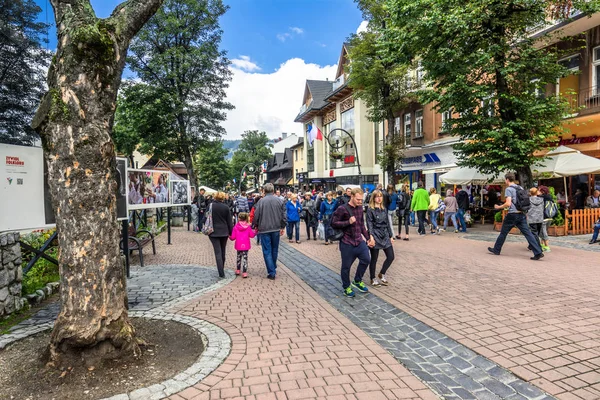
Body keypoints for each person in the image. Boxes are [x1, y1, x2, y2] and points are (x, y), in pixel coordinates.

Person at [488, 173, 544, 260]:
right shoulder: (520, 187)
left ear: (507, 179)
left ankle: (496, 249)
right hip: (521, 213)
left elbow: (508, 203)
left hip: (512, 214)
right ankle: (538, 252)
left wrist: (498, 207)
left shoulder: (509, 189)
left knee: (503, 233)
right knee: (528, 234)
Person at [331, 187, 373, 297]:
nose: (360, 202)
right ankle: (346, 287)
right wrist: (347, 222)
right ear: (352, 196)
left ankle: (357, 281)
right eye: (358, 199)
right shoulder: (342, 209)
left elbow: (361, 225)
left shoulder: (360, 209)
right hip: (347, 242)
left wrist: (368, 238)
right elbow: (333, 223)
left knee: (366, 259)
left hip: (359, 241)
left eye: (361, 200)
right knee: (346, 267)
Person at [252, 183, 287, 280]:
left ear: (264, 191)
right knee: (274, 249)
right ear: (273, 190)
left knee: (267, 250)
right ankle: (273, 267)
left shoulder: (261, 202)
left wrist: (255, 224)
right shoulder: (280, 201)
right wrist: (282, 226)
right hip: (276, 228)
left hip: (264, 229)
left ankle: (271, 271)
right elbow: (284, 215)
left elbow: (256, 215)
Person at [366, 190, 395, 287]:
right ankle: (372, 278)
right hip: (375, 233)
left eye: (381, 196)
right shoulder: (370, 209)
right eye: (377, 196)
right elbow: (369, 223)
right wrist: (371, 236)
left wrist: (391, 236)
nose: (379, 198)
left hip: (385, 234)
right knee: (374, 258)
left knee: (391, 256)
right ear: (373, 198)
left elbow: (387, 223)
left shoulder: (384, 208)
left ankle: (382, 273)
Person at [208, 192, 233, 278]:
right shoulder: (226, 207)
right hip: (224, 232)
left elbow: (205, 218)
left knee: (217, 252)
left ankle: (221, 272)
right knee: (223, 251)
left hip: (213, 232)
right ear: (223, 198)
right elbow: (229, 221)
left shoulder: (211, 206)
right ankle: (221, 268)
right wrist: (231, 232)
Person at [229, 212, 256, 278]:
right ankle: (244, 272)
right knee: (245, 258)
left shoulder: (236, 227)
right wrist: (256, 231)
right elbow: (252, 235)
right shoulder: (248, 227)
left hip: (238, 244)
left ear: (239, 219)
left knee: (238, 257)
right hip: (246, 245)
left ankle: (238, 270)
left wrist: (229, 236)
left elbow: (233, 238)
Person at [538, 186, 552, 252]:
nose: (538, 192)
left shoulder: (541, 198)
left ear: (542, 192)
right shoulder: (550, 197)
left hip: (544, 216)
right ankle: (541, 244)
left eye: (539, 190)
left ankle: (547, 246)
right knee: (543, 230)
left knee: (543, 232)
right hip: (550, 216)